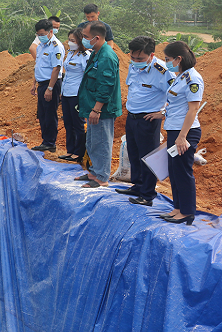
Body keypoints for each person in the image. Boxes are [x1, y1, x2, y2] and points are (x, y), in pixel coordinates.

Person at [115, 36, 175, 206]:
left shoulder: (162, 71)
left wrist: (162, 112)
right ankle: (138, 185)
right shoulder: (134, 66)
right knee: (133, 153)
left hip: (148, 119)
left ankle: (147, 194)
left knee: (147, 157)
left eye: (140, 58)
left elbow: (176, 95)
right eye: (132, 57)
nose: (135, 61)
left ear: (151, 55)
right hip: (132, 116)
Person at [152, 41, 204, 225]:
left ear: (178, 59)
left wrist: (182, 137)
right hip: (174, 130)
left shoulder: (193, 79)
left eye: (167, 59)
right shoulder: (180, 76)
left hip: (186, 133)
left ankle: (187, 212)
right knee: (174, 171)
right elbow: (174, 103)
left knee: (183, 171)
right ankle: (177, 208)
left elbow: (193, 110)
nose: (166, 62)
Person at [76, 20, 121, 188]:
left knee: (102, 141)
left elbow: (106, 85)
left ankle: (102, 177)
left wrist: (97, 109)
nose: (83, 40)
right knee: (93, 141)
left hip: (102, 109)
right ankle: (94, 172)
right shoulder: (96, 52)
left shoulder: (107, 56)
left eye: (86, 37)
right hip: (92, 107)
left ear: (96, 37)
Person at [30, 19, 64, 152]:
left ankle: (50, 143)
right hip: (42, 83)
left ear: (50, 32)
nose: (40, 37)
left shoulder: (56, 47)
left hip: (51, 84)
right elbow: (38, 65)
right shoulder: (41, 46)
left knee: (50, 114)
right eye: (38, 34)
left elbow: (56, 69)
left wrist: (50, 88)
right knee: (42, 114)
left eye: (42, 34)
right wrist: (34, 83)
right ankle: (45, 141)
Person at [58, 27, 90, 162]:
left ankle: (78, 152)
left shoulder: (86, 56)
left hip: (77, 94)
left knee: (78, 124)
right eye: (69, 39)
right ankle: (70, 150)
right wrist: (61, 92)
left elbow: (87, 77)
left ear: (80, 41)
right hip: (66, 92)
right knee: (68, 123)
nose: (70, 42)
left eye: (73, 40)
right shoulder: (70, 53)